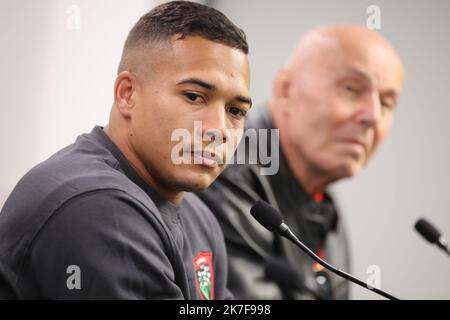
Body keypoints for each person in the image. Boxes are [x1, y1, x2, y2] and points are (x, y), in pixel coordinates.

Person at [0, 1, 251, 299]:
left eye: (235, 111)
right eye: (194, 97)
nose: (220, 129)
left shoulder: (198, 217)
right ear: (127, 94)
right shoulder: (96, 207)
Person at [198, 25, 404, 299]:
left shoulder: (321, 199)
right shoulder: (225, 170)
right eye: (352, 89)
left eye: (387, 103)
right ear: (286, 90)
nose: (373, 116)